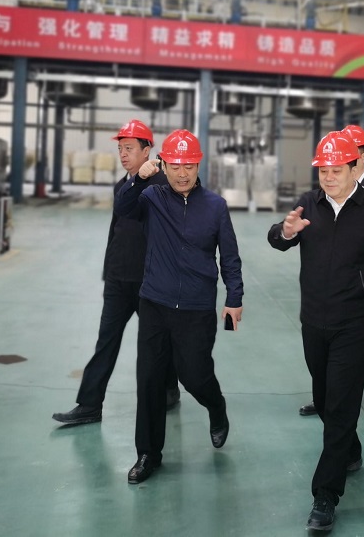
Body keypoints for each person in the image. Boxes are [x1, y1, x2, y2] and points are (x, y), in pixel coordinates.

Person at [268, 131, 364, 531]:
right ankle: (351, 449)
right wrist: (285, 232)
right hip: (313, 320)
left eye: (335, 170)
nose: (328, 177)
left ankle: (325, 495)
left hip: (355, 323)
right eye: (323, 171)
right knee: (326, 400)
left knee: (341, 405)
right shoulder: (309, 204)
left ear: (353, 168)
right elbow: (278, 239)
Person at [115, 129, 244, 484]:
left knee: (194, 375)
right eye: (175, 166)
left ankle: (216, 406)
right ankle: (148, 454)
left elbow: (230, 257)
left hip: (196, 307)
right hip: (155, 304)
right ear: (164, 165)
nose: (182, 173)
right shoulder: (151, 197)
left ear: (199, 165)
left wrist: (234, 298)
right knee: (150, 380)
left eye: (189, 166)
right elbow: (123, 208)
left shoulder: (215, 206)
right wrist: (137, 180)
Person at [52, 119, 180, 426]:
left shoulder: (162, 186)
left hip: (149, 282)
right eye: (120, 148)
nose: (123, 154)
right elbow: (116, 230)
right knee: (106, 341)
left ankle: (168, 390)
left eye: (129, 148)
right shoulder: (122, 186)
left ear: (147, 151)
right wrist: (109, 271)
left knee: (157, 344)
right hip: (119, 280)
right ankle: (89, 405)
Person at [298, 124, 364, 417]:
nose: (331, 173)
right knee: (331, 369)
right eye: (325, 169)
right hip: (327, 303)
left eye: (348, 155)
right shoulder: (315, 199)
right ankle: (327, 402)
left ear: (360, 157)